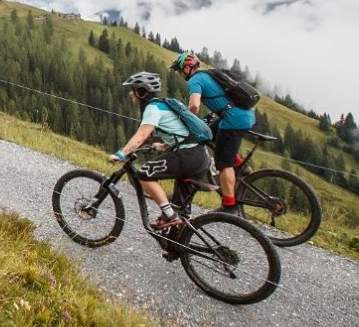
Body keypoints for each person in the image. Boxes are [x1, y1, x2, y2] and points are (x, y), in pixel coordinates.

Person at [109, 71, 212, 231]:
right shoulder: (163, 104)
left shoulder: (152, 108)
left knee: (144, 173)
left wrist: (122, 153)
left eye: (133, 89)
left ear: (142, 92)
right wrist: (163, 145)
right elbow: (180, 132)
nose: (131, 93)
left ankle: (168, 215)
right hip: (200, 155)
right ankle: (176, 247)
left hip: (189, 156)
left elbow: (142, 134)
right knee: (181, 210)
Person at [170, 51, 256, 213]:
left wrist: (187, 122)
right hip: (243, 114)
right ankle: (240, 166)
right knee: (208, 135)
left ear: (187, 68)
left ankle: (229, 205)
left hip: (233, 119)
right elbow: (221, 101)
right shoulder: (207, 75)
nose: (180, 75)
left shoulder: (195, 80)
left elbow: (194, 106)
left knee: (223, 163)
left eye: (179, 71)